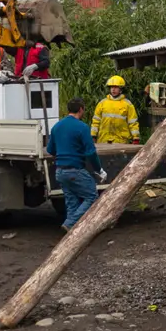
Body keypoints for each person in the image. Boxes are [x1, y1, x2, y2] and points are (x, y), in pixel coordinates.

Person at [47, 98, 107, 232]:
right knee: (91, 196)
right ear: (81, 109)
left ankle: (72, 233)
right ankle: (70, 223)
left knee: (72, 201)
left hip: (60, 171)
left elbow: (50, 150)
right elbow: (91, 152)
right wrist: (99, 170)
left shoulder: (57, 126)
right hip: (75, 170)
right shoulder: (82, 127)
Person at [91, 76, 141, 145]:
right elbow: (96, 121)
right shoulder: (102, 103)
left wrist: (135, 138)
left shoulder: (128, 105)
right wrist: (93, 135)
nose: (113, 89)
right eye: (111, 87)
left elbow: (133, 123)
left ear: (121, 89)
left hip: (121, 141)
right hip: (103, 140)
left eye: (116, 87)